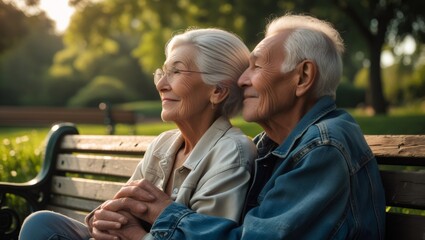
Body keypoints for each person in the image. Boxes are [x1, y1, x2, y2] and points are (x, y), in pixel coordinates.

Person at [94, 13, 387, 240]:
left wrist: (161, 213)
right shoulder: (272, 146)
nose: (241, 80)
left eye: (256, 66)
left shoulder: (324, 147)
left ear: (302, 77)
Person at [18, 28, 257, 239]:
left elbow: (203, 236)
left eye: (176, 72)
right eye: (163, 72)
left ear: (217, 91)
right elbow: (117, 209)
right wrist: (100, 220)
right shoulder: (164, 144)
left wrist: (133, 234)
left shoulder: (231, 154)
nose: (162, 83)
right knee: (42, 223)